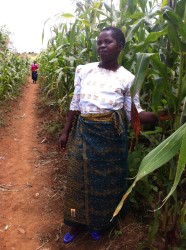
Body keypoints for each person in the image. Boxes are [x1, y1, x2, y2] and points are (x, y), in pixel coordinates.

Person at [58, 26, 158, 244]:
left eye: (108, 42)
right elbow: (75, 103)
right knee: (78, 179)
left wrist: (162, 115)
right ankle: (76, 223)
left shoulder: (128, 78)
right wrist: (66, 131)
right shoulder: (84, 70)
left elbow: (135, 114)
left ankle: (99, 224)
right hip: (83, 131)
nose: (102, 45)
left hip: (110, 136)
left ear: (120, 46)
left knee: (105, 182)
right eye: (99, 42)